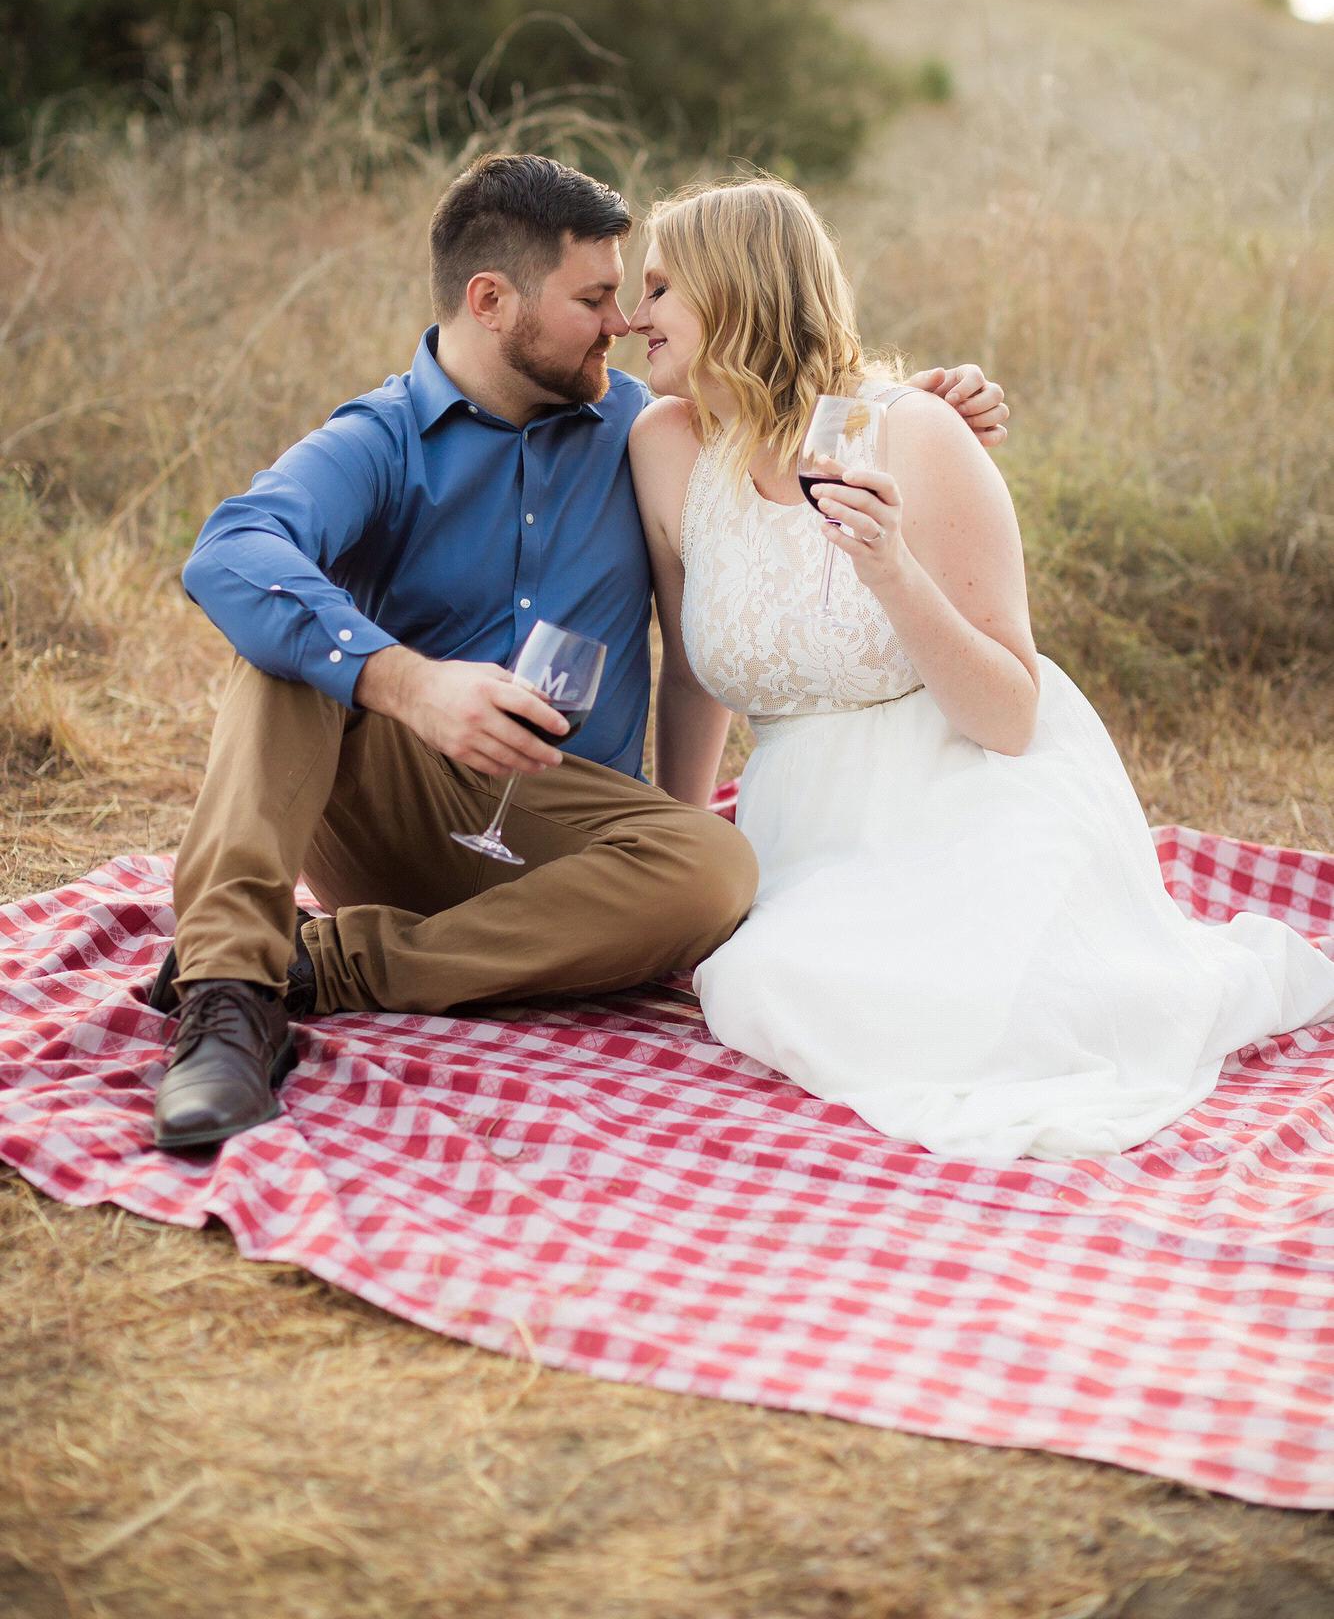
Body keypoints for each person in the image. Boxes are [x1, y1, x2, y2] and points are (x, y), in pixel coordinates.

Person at [150, 153, 1008, 1152]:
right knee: (289, 643)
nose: (623, 321)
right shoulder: (384, 438)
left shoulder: (648, 427)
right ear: (490, 301)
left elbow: (794, 394)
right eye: (594, 297)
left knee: (713, 867)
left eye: (631, 294)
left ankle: (324, 966)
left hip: (573, 841)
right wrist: (408, 682)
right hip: (401, 808)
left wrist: (931, 403)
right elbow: (231, 549)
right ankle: (226, 996)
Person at [626, 176, 1334, 1161]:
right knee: (770, 984)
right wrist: (681, 853)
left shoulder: (908, 432)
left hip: (968, 789)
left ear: (733, 291)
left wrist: (891, 569)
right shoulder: (663, 447)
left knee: (989, 1013)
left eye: (657, 289)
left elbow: (1007, 711)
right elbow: (691, 673)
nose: (631, 315)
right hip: (809, 824)